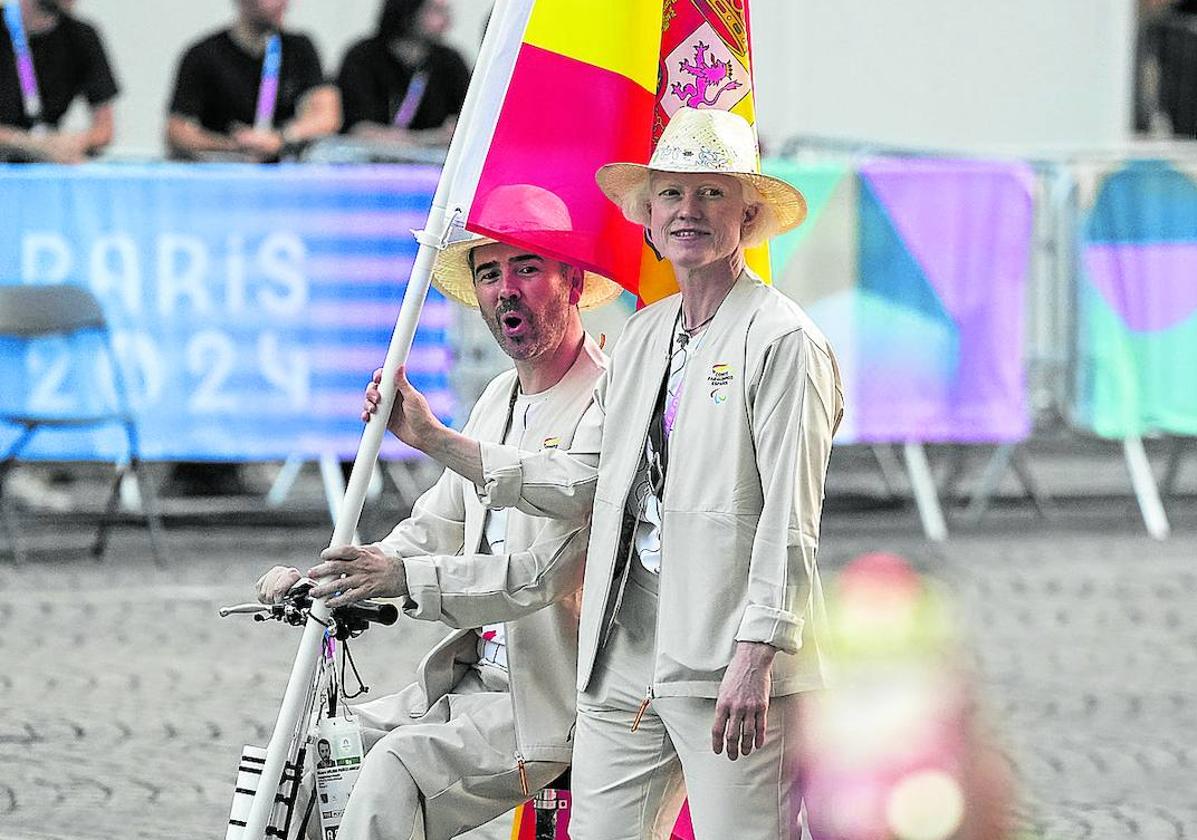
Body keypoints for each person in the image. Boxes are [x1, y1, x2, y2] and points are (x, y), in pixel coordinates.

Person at [381, 108, 844, 839]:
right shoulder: (645, 335)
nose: (687, 211)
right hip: (623, 654)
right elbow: (584, 481)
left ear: (747, 215)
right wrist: (438, 441)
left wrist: (759, 653)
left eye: (710, 193)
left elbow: (791, 517)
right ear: (649, 221)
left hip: (727, 656)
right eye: (669, 195)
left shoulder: (783, 341)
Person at [255, 184, 622, 840]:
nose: (505, 288)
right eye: (489, 273)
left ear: (571, 280)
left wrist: (430, 444)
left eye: (526, 267)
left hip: (557, 703)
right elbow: (436, 527)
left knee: (395, 768)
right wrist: (336, 577)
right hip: (470, 688)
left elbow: (542, 574)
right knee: (302, 757)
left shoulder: (609, 400)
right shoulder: (497, 398)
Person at [165, 0, 340, 162]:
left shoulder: (299, 48)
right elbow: (177, 130)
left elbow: (327, 115)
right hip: (226, 169)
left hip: (282, 169)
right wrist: (232, 146)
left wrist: (281, 137)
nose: (282, 3)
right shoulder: (203, 55)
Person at [337, 0, 469, 147]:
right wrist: (428, 139)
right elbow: (358, 129)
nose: (446, 20)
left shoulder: (450, 61)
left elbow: (463, 123)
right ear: (408, 10)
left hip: (432, 163)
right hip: (368, 159)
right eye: (435, 10)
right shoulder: (362, 57)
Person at [0, 0, 118, 162]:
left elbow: (104, 129)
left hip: (45, 164)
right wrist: (25, 143)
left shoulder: (80, 36)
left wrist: (76, 142)